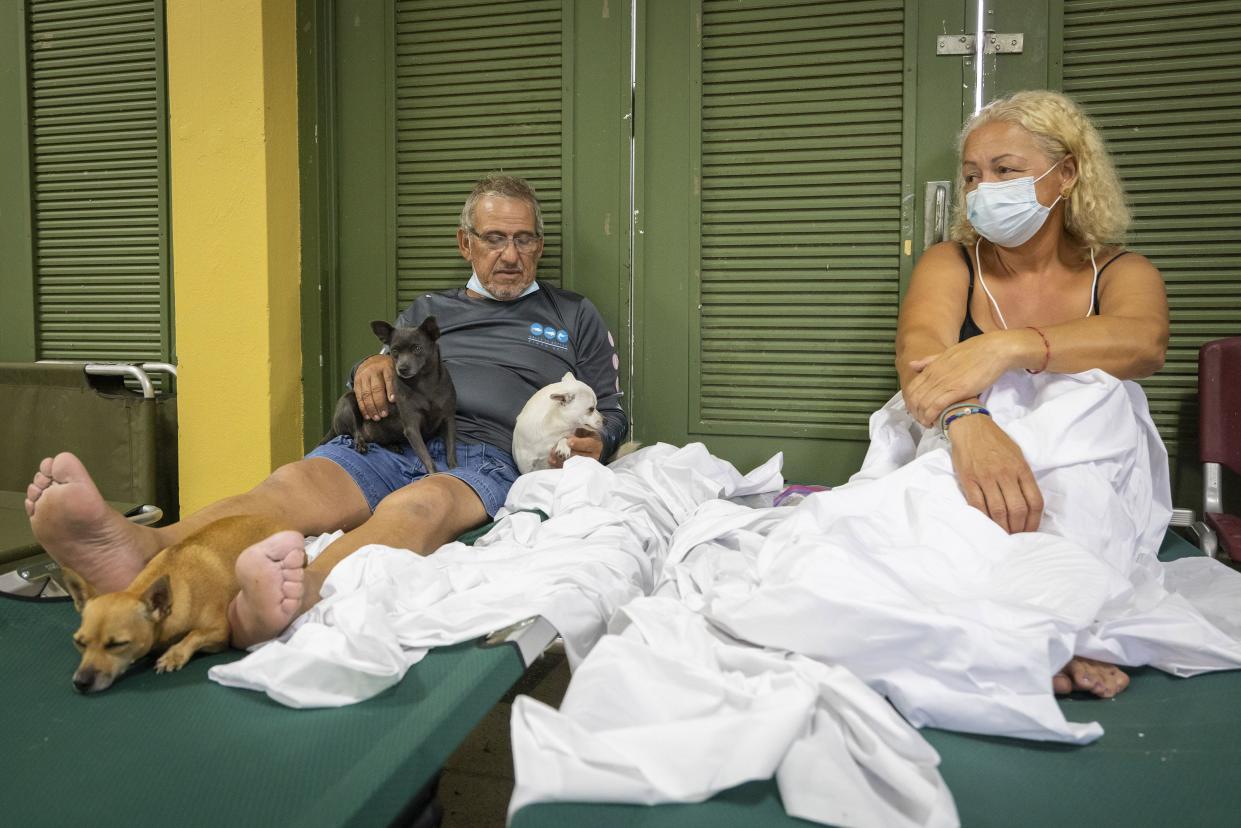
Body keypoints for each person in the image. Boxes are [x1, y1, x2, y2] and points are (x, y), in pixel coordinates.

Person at [25, 174, 628, 647]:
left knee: (419, 505)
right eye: (495, 238)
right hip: (392, 439)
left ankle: (295, 592)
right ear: (465, 243)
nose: (511, 253)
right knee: (291, 485)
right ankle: (145, 546)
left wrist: (597, 443)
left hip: (481, 457)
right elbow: (385, 369)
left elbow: (615, 409)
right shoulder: (428, 307)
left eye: (524, 239)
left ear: (540, 246)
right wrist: (365, 369)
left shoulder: (572, 314)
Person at [894, 90, 1169, 698]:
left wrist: (1006, 347)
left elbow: (1144, 343)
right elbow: (920, 360)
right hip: (959, 436)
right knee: (939, 521)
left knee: (1084, 473)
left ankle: (1048, 629)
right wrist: (968, 421)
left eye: (1005, 170)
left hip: (1086, 454)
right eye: (971, 175)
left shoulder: (1122, 272)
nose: (982, 186)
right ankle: (1034, 633)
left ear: (1065, 173)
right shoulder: (951, 263)